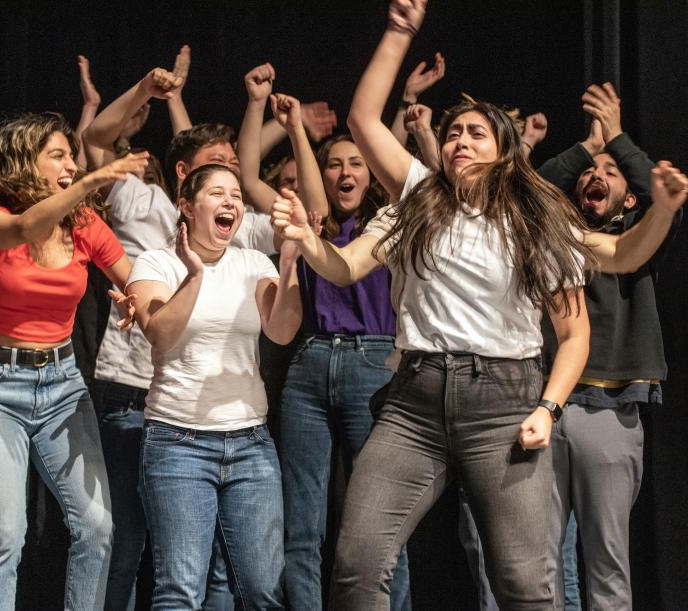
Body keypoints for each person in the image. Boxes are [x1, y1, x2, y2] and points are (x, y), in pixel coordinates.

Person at [272, 2, 687, 608]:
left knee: (523, 584)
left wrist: (665, 212)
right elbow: (362, 122)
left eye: (475, 132)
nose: (460, 139)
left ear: (502, 150)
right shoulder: (418, 195)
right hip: (414, 403)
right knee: (358, 565)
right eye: (453, 131)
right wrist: (397, 31)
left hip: (503, 405)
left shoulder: (533, 215)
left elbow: (612, 270)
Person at [82, 64, 277, 609]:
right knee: (129, 549)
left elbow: (299, 223)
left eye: (236, 179)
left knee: (217, 565)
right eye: (218, 176)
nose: (231, 190)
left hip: (221, 416)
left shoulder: (240, 244)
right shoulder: (141, 203)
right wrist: (151, 91)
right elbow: (95, 139)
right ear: (188, 181)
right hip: (135, 393)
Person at [0, 110, 147, 611]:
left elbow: (132, 276)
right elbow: (26, 227)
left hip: (62, 387)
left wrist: (138, 297)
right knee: (5, 533)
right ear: (22, 163)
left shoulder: (84, 224)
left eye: (72, 157)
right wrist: (95, 177)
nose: (71, 164)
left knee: (98, 528)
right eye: (58, 155)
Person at [237, 63, 411, 610]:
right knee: (302, 525)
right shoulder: (313, 224)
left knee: (381, 523)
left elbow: (399, 169)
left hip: (373, 364)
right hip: (309, 368)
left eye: (356, 163)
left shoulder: (394, 220)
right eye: (334, 163)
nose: (344, 172)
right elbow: (245, 177)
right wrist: (279, 119)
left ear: (372, 171)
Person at [127, 163, 301, 608]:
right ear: (186, 205)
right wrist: (194, 276)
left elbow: (281, 331)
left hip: (250, 445)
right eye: (218, 194)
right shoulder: (155, 263)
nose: (231, 203)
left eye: (237, 196)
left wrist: (290, 268)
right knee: (180, 590)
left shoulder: (252, 262)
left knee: (264, 590)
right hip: (177, 443)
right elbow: (161, 333)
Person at [538, 82, 684, 610]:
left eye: (610, 173)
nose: (595, 176)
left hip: (610, 410)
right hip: (546, 409)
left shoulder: (639, 239)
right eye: (587, 174)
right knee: (539, 566)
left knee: (606, 566)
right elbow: (535, 185)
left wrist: (617, 138)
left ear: (628, 196)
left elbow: (662, 198)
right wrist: (586, 148)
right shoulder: (551, 234)